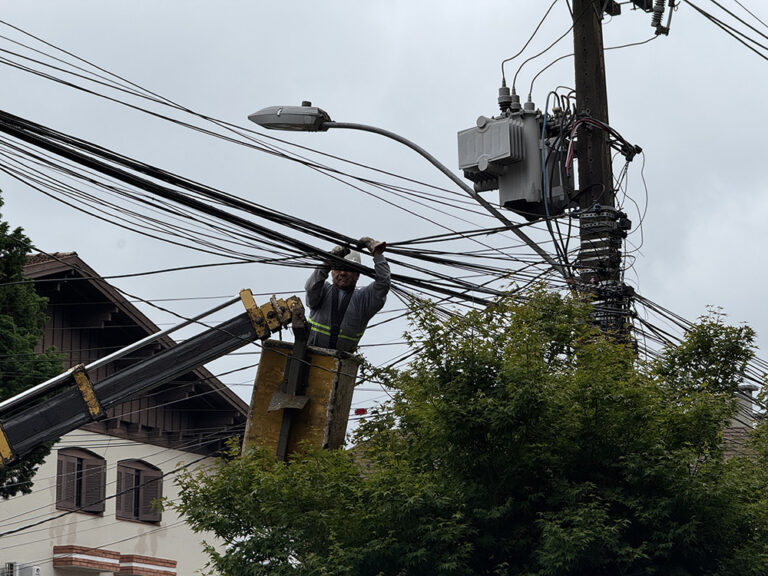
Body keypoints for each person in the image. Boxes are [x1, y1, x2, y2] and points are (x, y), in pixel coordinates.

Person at [304, 237, 390, 352]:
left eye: (348, 269)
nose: (343, 273)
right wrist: (328, 261)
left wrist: (378, 255)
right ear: (332, 271)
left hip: (341, 362)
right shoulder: (322, 290)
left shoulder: (364, 299)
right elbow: (311, 287)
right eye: (338, 268)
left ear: (358, 274)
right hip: (309, 355)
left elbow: (383, 284)